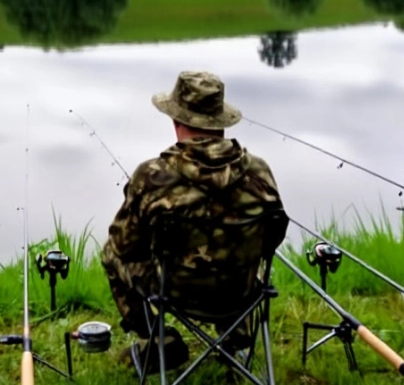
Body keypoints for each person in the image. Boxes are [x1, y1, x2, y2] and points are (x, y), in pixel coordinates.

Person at [102, 70, 284, 372]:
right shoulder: (260, 173)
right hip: (240, 293)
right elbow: (271, 241)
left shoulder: (151, 176)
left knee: (111, 254)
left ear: (176, 120)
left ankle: (157, 339)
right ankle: (235, 338)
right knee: (240, 255)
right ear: (221, 122)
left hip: (174, 292)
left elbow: (123, 245)